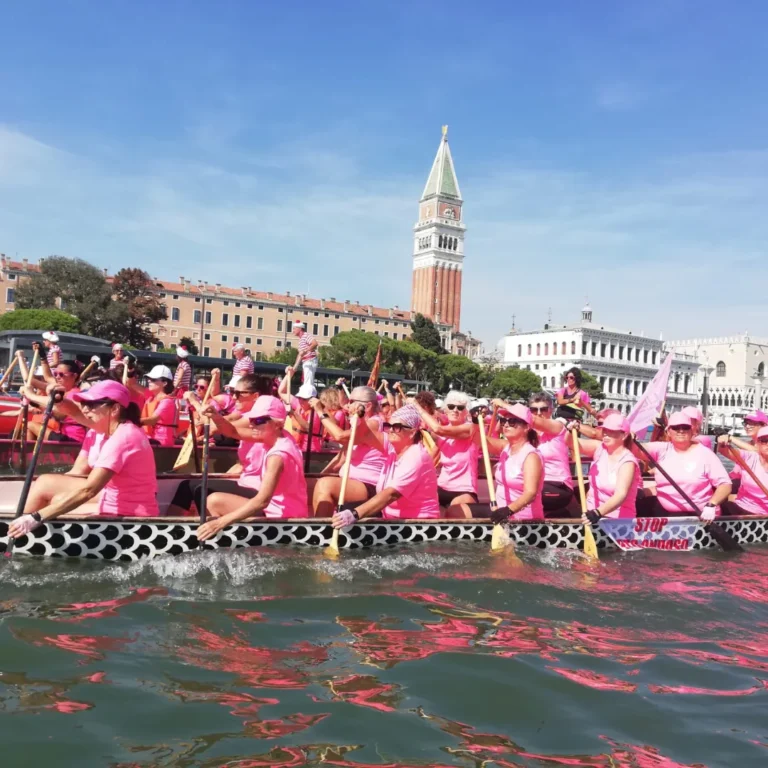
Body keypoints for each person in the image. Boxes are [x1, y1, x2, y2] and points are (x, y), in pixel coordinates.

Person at [9, 381, 158, 538]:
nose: (86, 409)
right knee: (46, 484)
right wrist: (57, 398)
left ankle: (15, 531)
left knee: (55, 503)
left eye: (92, 404)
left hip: (128, 512)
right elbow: (73, 410)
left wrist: (36, 517)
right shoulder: (115, 427)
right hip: (114, 497)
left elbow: (88, 490)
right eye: (85, 403)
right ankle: (17, 527)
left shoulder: (122, 438)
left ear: (114, 408)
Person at [196, 396, 308, 540]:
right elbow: (233, 432)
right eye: (251, 420)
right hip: (276, 511)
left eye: (259, 421)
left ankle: (216, 542)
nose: (252, 425)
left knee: (214, 500)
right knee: (204, 491)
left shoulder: (277, 456)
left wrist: (219, 523)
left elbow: (262, 501)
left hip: (282, 521)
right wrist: (216, 416)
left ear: (277, 424)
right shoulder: (276, 435)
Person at [331, 405, 439, 527]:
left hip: (418, 524)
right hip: (390, 519)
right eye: (389, 426)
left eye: (397, 427)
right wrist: (360, 419)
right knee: (341, 510)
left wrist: (355, 514)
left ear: (412, 433)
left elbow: (391, 494)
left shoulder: (416, 456)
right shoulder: (392, 446)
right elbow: (365, 434)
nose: (391, 430)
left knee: (350, 512)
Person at [169, 376, 263, 514]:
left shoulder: (257, 419)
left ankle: (203, 530)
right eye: (232, 392)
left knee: (199, 489)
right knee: (186, 486)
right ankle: (174, 526)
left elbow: (211, 426)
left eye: (238, 394)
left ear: (255, 396)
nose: (233, 397)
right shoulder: (240, 414)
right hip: (246, 478)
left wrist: (195, 401)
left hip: (256, 487)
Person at [447, 403, 544, 522]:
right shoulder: (505, 447)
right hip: (498, 509)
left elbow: (530, 493)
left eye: (512, 421)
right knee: (454, 511)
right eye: (503, 421)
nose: (506, 424)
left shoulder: (531, 456)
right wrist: (476, 422)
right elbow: (476, 438)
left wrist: (508, 510)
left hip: (521, 517)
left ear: (526, 427)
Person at [634, 412, 731, 518]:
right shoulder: (662, 449)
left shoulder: (706, 454)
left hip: (700, 515)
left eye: (685, 427)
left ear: (691, 431)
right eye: (676, 427)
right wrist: (629, 436)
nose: (681, 430)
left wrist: (712, 504)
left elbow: (725, 485)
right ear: (668, 432)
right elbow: (635, 449)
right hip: (666, 512)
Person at [312, 386, 387, 516]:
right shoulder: (358, 423)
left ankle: (320, 530)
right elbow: (341, 458)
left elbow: (339, 436)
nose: (347, 405)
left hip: (369, 485)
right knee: (308, 484)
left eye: (352, 401)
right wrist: (320, 475)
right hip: (350, 480)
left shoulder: (374, 424)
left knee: (325, 485)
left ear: (368, 406)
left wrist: (320, 411)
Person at [569, 413, 641, 521]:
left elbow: (620, 495)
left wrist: (597, 513)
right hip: (590, 515)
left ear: (624, 435)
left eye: (611, 431)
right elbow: (571, 443)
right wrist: (569, 430)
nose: (606, 434)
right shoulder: (600, 448)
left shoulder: (627, 462)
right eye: (604, 430)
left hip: (617, 521)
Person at [414, 390, 478, 508]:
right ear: (446, 410)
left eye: (460, 407)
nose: (455, 410)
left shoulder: (470, 429)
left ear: (466, 412)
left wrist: (417, 407)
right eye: (451, 406)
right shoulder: (443, 435)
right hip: (441, 486)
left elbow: (438, 430)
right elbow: (430, 459)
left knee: (453, 512)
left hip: (464, 490)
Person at [522, 392, 575, 515]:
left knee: (526, 493)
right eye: (534, 410)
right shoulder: (526, 435)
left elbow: (533, 420)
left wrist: (505, 405)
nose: (539, 413)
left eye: (543, 409)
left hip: (558, 486)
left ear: (551, 411)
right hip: (534, 484)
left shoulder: (558, 427)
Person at [22, 360, 87, 444]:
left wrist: (32, 397)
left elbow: (59, 414)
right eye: (55, 374)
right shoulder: (62, 391)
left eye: (61, 374)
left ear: (74, 376)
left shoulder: (75, 394)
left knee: (30, 425)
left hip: (73, 439)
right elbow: (28, 379)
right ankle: (29, 455)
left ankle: (27, 455)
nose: (57, 377)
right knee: (30, 426)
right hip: (62, 434)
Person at [717, 427, 768, 515]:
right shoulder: (749, 457)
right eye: (765, 440)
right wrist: (722, 443)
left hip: (763, 515)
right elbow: (724, 451)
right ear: (758, 443)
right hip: (741, 507)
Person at [132, 365, 178, 447]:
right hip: (151, 439)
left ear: (164, 383)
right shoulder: (151, 398)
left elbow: (153, 420)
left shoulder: (167, 402)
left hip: (161, 443)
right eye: (148, 379)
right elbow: (129, 383)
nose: (149, 381)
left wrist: (131, 421)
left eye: (153, 379)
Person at [290, 322, 318, 387]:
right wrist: (294, 368)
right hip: (306, 362)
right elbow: (300, 354)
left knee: (308, 383)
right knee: (306, 381)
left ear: (299, 329)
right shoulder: (301, 340)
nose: (293, 331)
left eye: (294, 329)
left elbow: (314, 343)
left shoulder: (306, 335)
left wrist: (305, 351)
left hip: (310, 361)